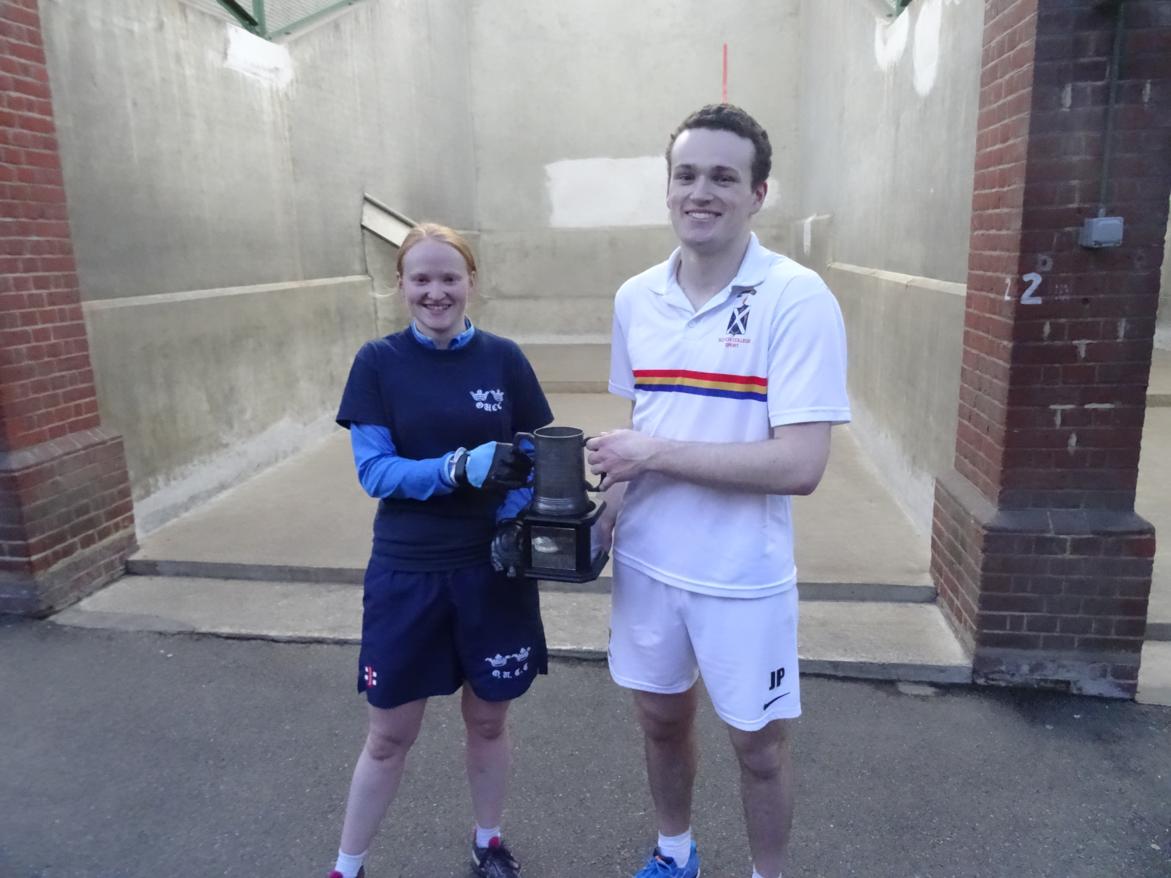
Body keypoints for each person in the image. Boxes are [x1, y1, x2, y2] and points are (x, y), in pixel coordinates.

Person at [586, 105, 851, 878]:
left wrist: (654, 452)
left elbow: (800, 465)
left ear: (757, 193)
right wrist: (607, 514)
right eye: (686, 174)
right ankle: (674, 855)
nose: (700, 191)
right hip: (647, 565)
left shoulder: (796, 299)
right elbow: (644, 420)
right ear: (668, 188)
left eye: (723, 177)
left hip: (741, 577)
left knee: (759, 748)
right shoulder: (636, 297)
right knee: (660, 721)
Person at [327, 222, 553, 878]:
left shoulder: (504, 359)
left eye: (448, 278)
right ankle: (347, 865)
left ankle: (487, 841)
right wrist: (457, 468)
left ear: (471, 284)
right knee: (388, 736)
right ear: (399, 286)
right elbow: (375, 472)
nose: (435, 292)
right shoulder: (377, 363)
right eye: (420, 279)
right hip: (408, 572)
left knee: (487, 724)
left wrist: (514, 511)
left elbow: (535, 454)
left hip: (492, 572)